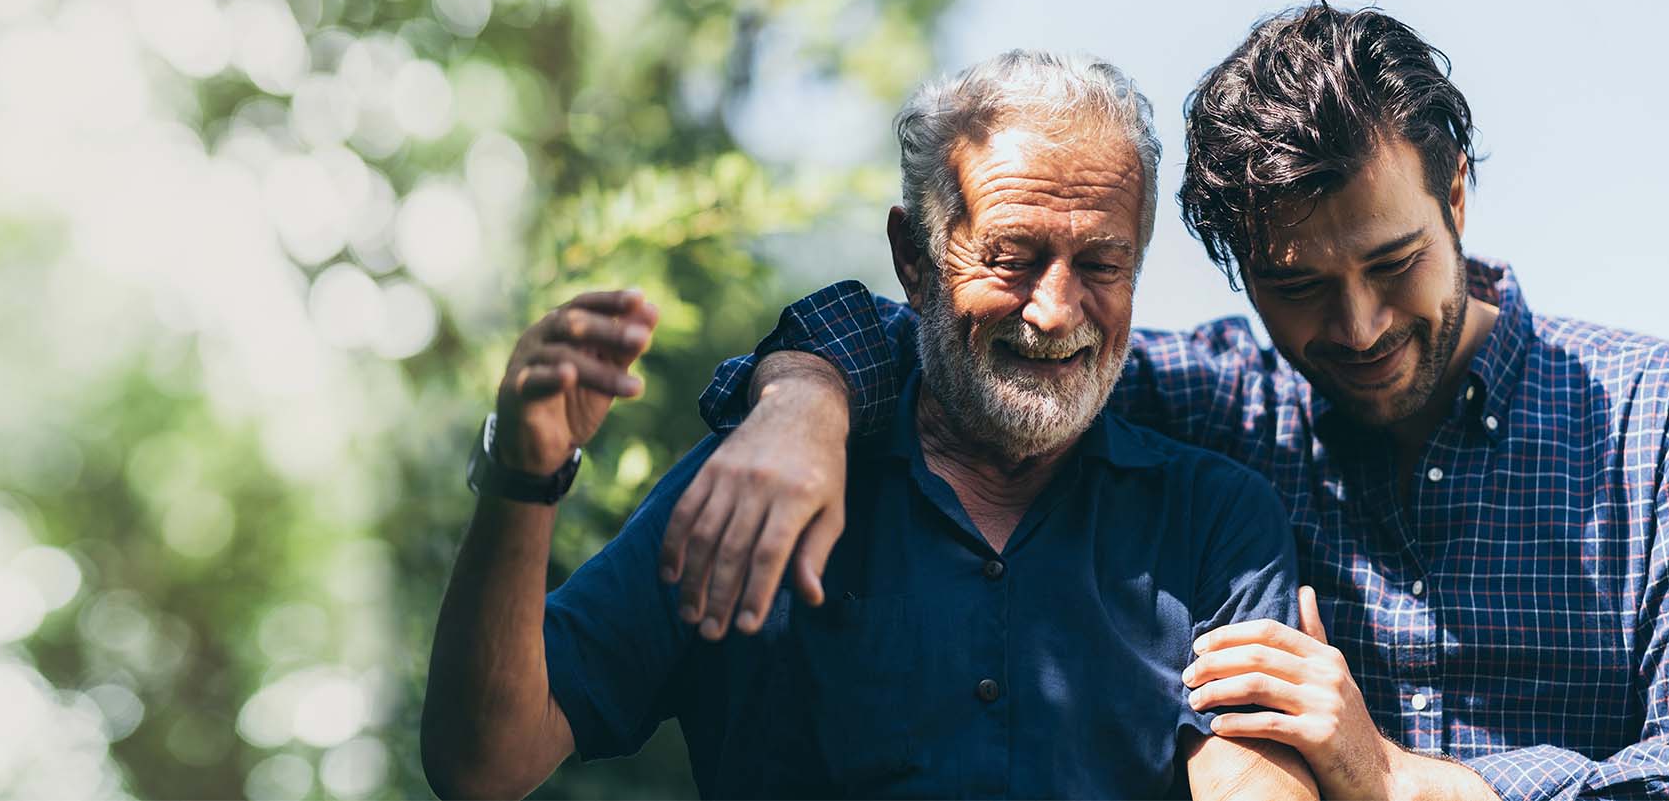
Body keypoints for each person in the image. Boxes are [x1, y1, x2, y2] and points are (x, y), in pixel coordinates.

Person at [670, 0, 1669, 800]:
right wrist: (800, 399)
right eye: (1298, 286)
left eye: (1393, 262)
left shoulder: (1666, 423)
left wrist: (1396, 780)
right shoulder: (1209, 407)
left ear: (1457, 192)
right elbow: (963, 338)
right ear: (1237, 268)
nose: (1355, 327)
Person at [421, 51, 1316, 799]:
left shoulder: (1216, 520)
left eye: (1102, 263)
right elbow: (484, 761)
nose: (1054, 310)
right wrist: (524, 472)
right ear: (914, 259)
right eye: (1012, 258)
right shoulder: (756, 480)